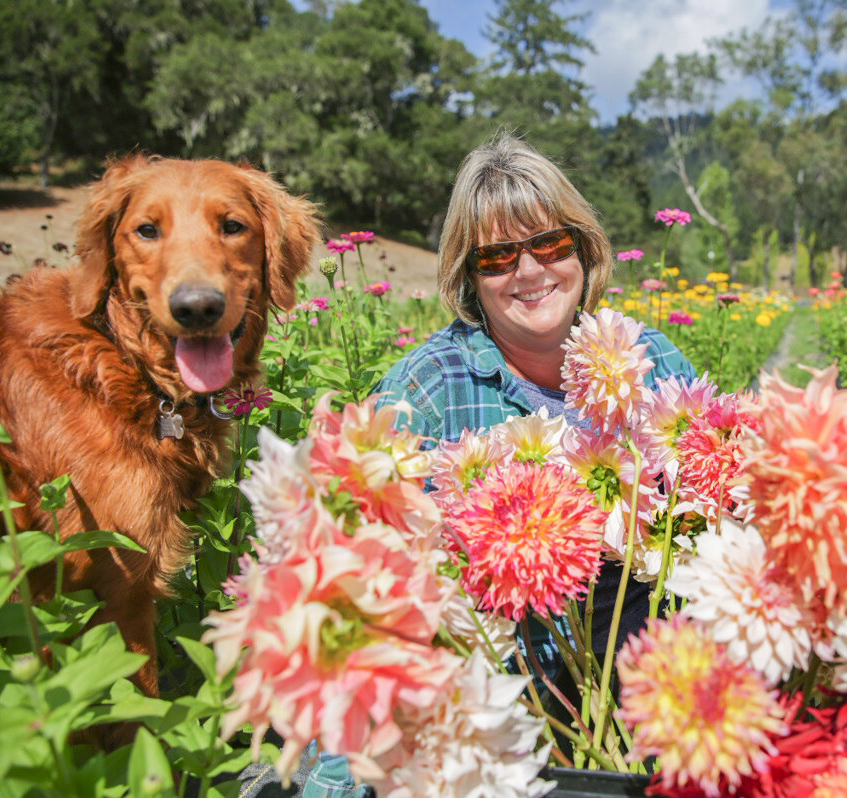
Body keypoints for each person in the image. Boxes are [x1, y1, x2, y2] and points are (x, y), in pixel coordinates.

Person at [292, 134, 695, 798]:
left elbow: (720, 493)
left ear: (583, 249)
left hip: (642, 658)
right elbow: (357, 586)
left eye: (550, 244)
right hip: (499, 678)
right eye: (499, 256)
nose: (531, 271)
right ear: (470, 277)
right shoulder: (425, 388)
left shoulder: (647, 359)